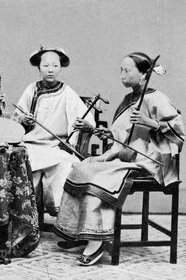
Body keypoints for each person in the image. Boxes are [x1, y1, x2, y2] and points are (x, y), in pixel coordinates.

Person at [52, 52, 185, 266]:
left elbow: (179, 133)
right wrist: (97, 131)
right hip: (125, 156)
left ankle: (98, 241)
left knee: (99, 179)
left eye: (127, 70)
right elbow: (121, 138)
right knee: (83, 167)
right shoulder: (128, 99)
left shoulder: (156, 98)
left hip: (149, 161)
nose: (122, 75)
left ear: (144, 74)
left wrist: (149, 122)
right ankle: (82, 232)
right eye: (120, 71)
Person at [13, 46, 95, 216]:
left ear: (60, 68)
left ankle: (60, 214)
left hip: (55, 146)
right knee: (24, 162)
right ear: (39, 68)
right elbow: (17, 115)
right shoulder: (31, 90)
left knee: (64, 166)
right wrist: (23, 119)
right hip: (31, 144)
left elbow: (87, 121)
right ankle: (27, 215)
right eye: (46, 66)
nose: (50, 70)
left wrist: (84, 124)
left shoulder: (67, 92)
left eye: (55, 66)